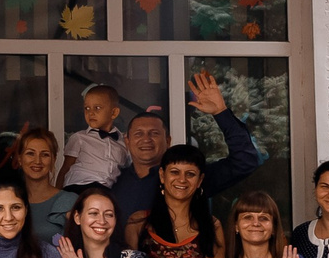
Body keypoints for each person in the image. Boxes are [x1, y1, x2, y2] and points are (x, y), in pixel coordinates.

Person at [110, 74, 263, 240]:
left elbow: (245, 161)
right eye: (139, 133)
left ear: (168, 141)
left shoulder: (185, 180)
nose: (146, 139)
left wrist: (221, 112)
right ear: (127, 140)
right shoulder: (112, 179)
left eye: (154, 133)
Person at [6, 126, 76, 249]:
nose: (37, 161)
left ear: (53, 159)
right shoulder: (7, 201)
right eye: (30, 154)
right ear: (20, 159)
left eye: (45, 155)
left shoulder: (70, 201)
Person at [58, 84, 130, 188]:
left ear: (114, 113)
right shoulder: (79, 138)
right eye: (87, 108)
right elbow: (65, 168)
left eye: (97, 108)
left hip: (108, 191)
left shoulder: (123, 141)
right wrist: (58, 196)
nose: (91, 113)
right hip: (79, 187)